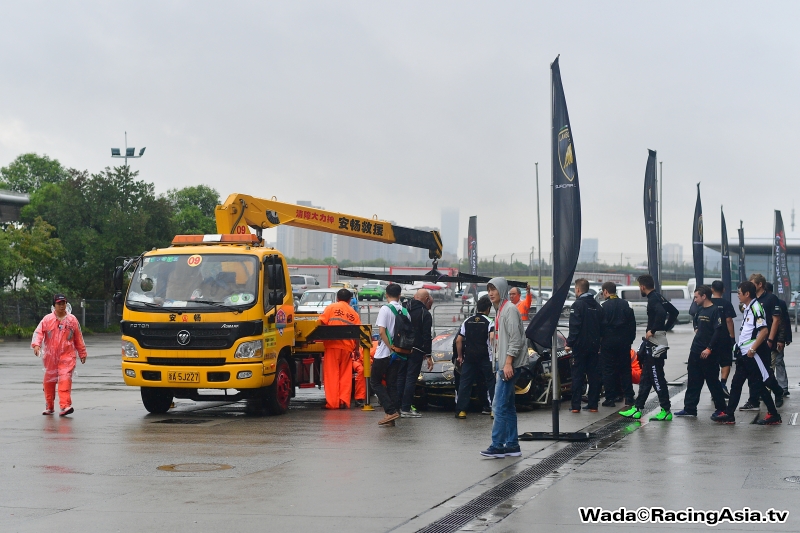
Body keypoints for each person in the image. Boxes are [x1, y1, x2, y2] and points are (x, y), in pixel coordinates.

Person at [712, 281, 781, 424]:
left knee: (759, 384)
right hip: (743, 354)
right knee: (736, 383)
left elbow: (764, 331)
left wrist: (752, 349)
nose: (737, 295)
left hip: (751, 355)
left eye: (739, 293)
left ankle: (774, 413)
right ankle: (730, 414)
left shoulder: (756, 308)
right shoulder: (748, 307)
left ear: (747, 294)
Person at [480, 277, 528, 459]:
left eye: (494, 289)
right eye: (489, 289)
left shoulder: (509, 310)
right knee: (507, 406)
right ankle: (512, 444)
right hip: (504, 364)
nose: (491, 293)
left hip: (509, 365)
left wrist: (507, 363)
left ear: (502, 290)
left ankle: (497, 445)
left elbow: (516, 340)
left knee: (498, 405)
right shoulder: (500, 310)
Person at [619, 274, 672, 421]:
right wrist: (665, 328)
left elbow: (662, 313)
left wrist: (654, 330)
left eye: (639, 287)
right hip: (654, 343)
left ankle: (666, 410)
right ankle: (637, 408)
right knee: (646, 378)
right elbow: (673, 312)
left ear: (642, 286)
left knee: (657, 377)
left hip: (656, 344)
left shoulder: (653, 299)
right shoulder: (658, 297)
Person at [675, 286, 728, 417]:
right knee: (693, 380)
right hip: (695, 351)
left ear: (704, 296)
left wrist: (709, 348)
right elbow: (694, 318)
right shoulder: (699, 309)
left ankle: (721, 409)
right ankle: (690, 408)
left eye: (696, 297)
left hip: (708, 353)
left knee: (712, 382)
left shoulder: (715, 310)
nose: (694, 299)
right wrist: (696, 327)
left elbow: (718, 331)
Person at [31, 294, 88, 416]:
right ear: (54, 305)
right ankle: (49, 406)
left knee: (65, 379)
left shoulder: (72, 320)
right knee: (49, 381)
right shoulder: (47, 320)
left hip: (67, 356)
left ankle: (65, 406)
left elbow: (78, 338)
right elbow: (38, 332)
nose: (62, 306)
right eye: (59, 304)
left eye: (63, 303)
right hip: (50, 358)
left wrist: (82, 352)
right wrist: (36, 345)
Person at [740, 274, 784, 410]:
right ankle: (754, 400)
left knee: (765, 373)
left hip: (764, 342)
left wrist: (771, 339)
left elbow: (776, 320)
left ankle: (777, 391)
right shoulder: (750, 301)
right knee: (753, 375)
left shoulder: (770, 299)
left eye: (752, 283)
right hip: (752, 344)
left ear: (759, 285)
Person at [318, 289, 361, 409]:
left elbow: (321, 323)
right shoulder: (354, 314)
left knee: (332, 375)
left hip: (332, 346)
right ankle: (343, 401)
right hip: (347, 348)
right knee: (345, 376)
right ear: (349, 300)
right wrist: (356, 349)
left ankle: (332, 403)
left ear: (337, 298)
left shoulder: (331, 308)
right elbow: (357, 334)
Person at [455, 295, 496, 419]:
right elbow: (492, 337)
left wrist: (460, 356)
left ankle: (461, 411)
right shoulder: (489, 321)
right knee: (491, 382)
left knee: (465, 383)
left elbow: (458, 340)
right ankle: (493, 410)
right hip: (485, 357)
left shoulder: (467, 321)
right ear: (488, 308)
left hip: (470, 357)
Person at [566, 278, 602, 413]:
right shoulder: (597, 306)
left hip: (580, 347)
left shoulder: (577, 305)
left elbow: (574, 326)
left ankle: (575, 406)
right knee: (593, 376)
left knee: (577, 376)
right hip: (594, 347)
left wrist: (569, 343)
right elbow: (602, 327)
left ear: (578, 289)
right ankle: (593, 405)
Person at [396, 289, 434, 418]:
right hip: (416, 350)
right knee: (411, 379)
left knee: (401, 377)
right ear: (427, 299)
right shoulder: (424, 313)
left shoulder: (403, 308)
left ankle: (397, 407)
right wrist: (428, 355)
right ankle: (406, 408)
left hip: (401, 348)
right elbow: (426, 336)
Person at [599, 281, 636, 408]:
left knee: (608, 370)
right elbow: (632, 326)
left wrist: (601, 341)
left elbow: (600, 327)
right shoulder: (626, 305)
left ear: (605, 291)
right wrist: (630, 340)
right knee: (625, 369)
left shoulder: (603, 306)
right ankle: (629, 397)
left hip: (608, 343)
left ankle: (610, 398)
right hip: (624, 342)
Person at [371, 283, 404, 426]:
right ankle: (392, 416)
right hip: (399, 354)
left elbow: (382, 332)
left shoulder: (385, 309)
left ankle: (390, 411)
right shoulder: (403, 310)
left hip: (385, 353)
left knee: (375, 382)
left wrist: (390, 346)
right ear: (399, 295)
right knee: (391, 384)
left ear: (386, 295)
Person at [710, 280, 737, 397]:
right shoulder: (726, 303)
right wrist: (732, 337)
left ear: (712, 289)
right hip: (724, 337)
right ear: (724, 290)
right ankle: (722, 384)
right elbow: (729, 320)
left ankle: (715, 388)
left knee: (713, 362)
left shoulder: (708, 303)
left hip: (711, 338)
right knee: (726, 361)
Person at [766, 282, 791, 397]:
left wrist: (783, 339)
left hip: (775, 339)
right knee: (776, 363)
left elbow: (783, 321)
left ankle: (782, 387)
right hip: (770, 338)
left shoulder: (778, 303)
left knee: (778, 362)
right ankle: (779, 387)